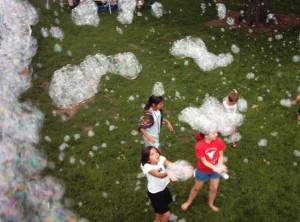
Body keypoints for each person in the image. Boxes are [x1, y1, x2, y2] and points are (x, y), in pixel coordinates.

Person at [181, 130, 226, 212]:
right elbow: (204, 161)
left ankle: (211, 203)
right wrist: (215, 168)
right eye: (214, 133)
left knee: (214, 189)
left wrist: (219, 165)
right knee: (196, 188)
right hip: (203, 170)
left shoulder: (218, 141)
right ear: (206, 135)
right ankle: (188, 202)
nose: (217, 134)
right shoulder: (199, 146)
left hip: (215, 170)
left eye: (216, 132)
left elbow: (221, 155)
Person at [140, 146, 173, 222]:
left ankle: (157, 220)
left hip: (163, 188)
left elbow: (169, 164)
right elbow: (159, 175)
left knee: (158, 209)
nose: (156, 154)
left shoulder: (160, 158)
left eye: (156, 152)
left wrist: (180, 167)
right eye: (152, 154)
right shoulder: (147, 166)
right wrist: (168, 172)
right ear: (148, 159)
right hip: (155, 193)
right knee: (167, 214)